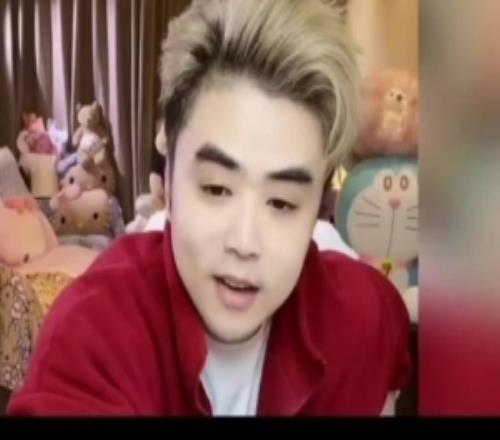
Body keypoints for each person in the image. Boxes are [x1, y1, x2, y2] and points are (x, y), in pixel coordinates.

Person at [8, 0, 411, 416]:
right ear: (168, 180)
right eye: (217, 189)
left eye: (282, 203)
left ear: (317, 210)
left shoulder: (364, 315)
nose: (244, 242)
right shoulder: (92, 337)